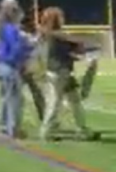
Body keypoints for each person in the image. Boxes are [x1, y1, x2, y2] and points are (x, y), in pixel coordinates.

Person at [36, 7, 93, 141]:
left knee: (74, 100)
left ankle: (82, 129)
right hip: (60, 72)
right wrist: (81, 53)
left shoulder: (49, 35)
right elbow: (68, 52)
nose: (63, 19)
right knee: (55, 102)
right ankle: (46, 130)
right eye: (60, 17)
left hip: (60, 71)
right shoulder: (56, 36)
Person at [0, 0, 30, 138]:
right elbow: (15, 49)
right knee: (15, 99)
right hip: (8, 66)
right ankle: (13, 129)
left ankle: (3, 125)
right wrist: (28, 48)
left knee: (5, 98)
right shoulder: (10, 28)